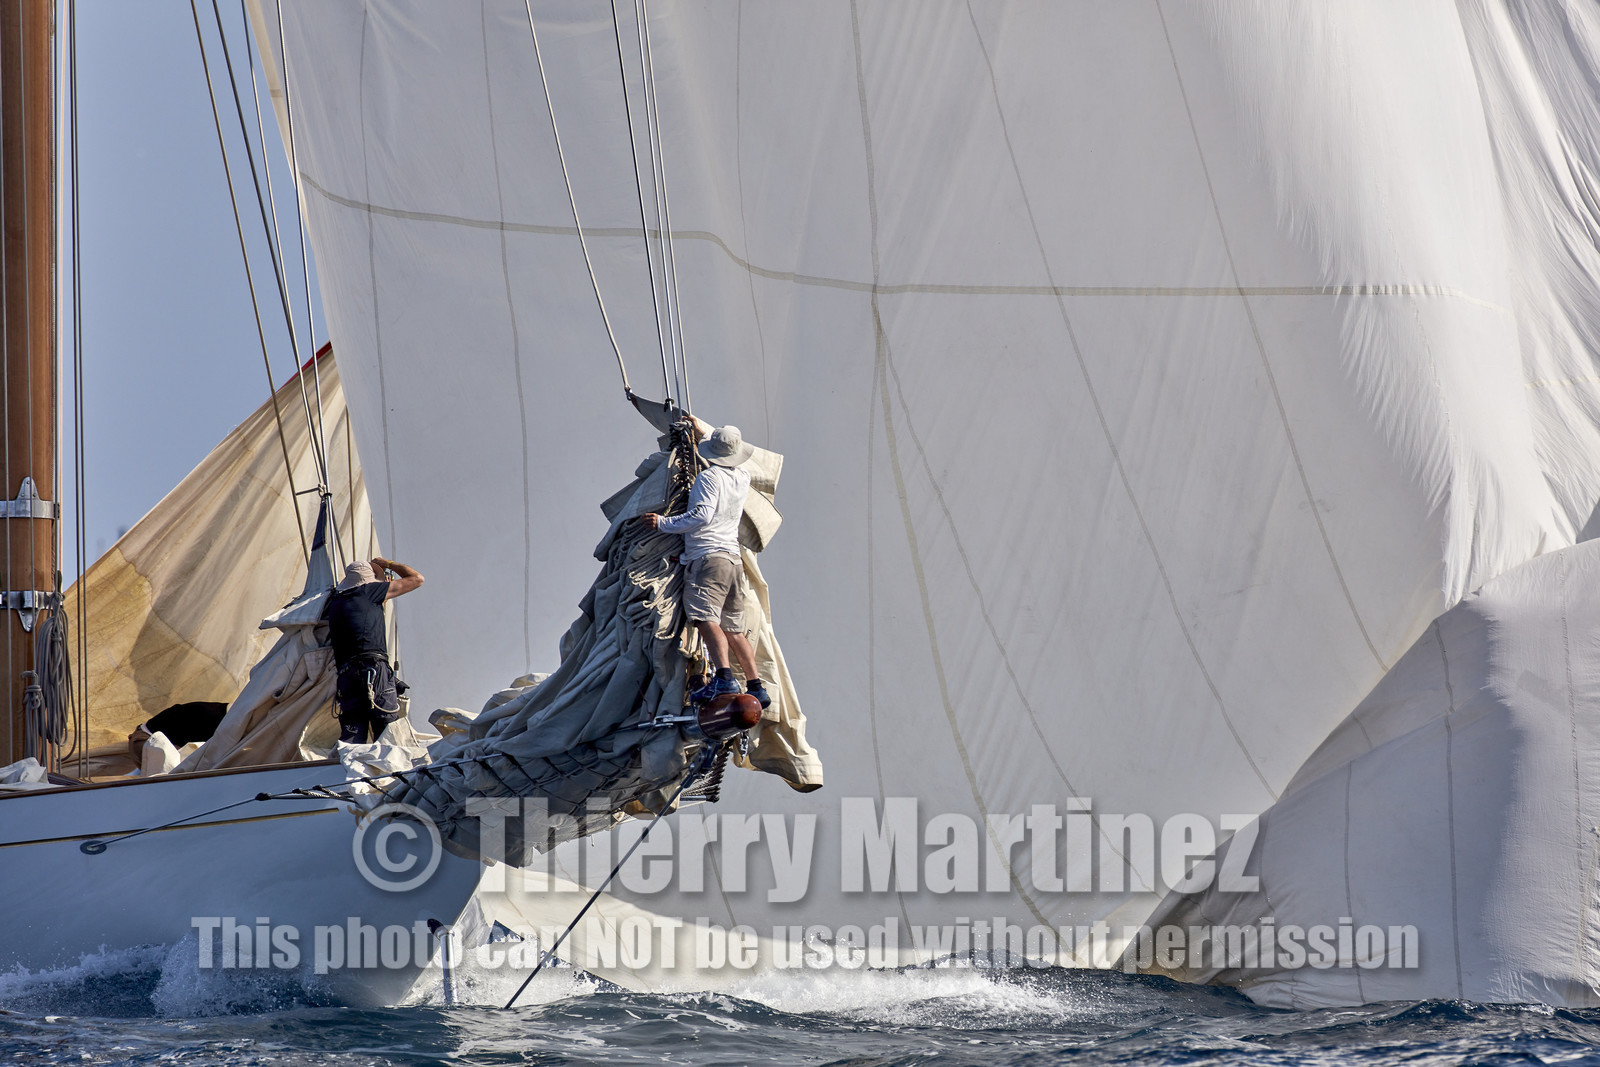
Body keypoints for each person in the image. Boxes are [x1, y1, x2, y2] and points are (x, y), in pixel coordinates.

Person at [644, 424, 772, 708]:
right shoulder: (742, 476)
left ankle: (723, 678)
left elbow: (702, 516)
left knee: (705, 619)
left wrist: (662, 523)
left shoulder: (709, 478)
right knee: (734, 629)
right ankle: (756, 686)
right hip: (732, 560)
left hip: (708, 558)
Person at [323, 556, 424, 744]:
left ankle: (349, 770)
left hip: (347, 678)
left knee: (353, 739)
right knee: (387, 735)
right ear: (369, 581)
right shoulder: (369, 592)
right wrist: (388, 565)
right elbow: (417, 579)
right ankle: (390, 772)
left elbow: (366, 619)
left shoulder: (336, 602)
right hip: (374, 671)